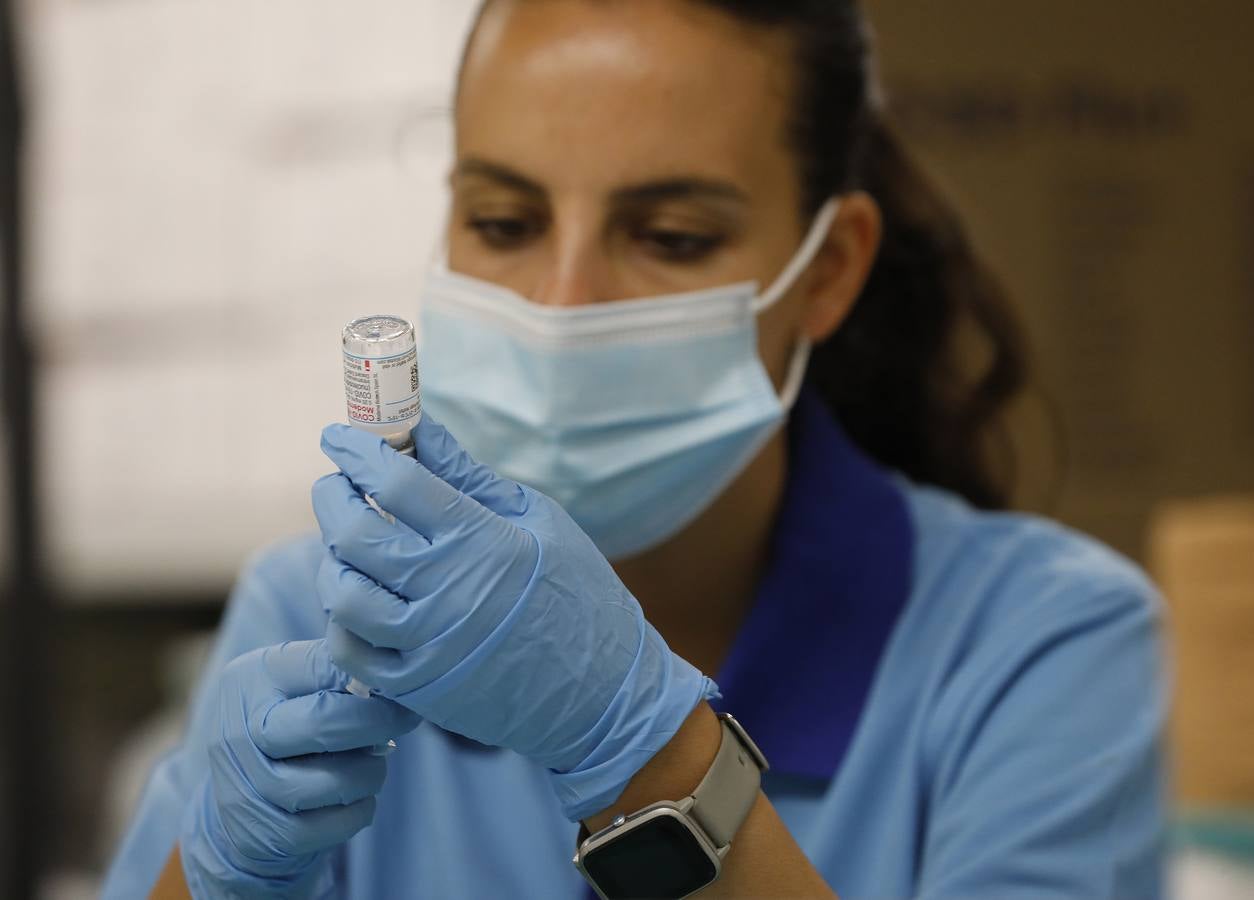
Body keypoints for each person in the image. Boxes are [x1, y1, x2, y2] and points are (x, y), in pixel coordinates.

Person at [105, 1, 1168, 897]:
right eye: (505, 220)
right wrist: (213, 873)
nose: (564, 306)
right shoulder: (312, 615)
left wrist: (641, 748)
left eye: (670, 238)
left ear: (830, 269)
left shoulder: (1044, 646)